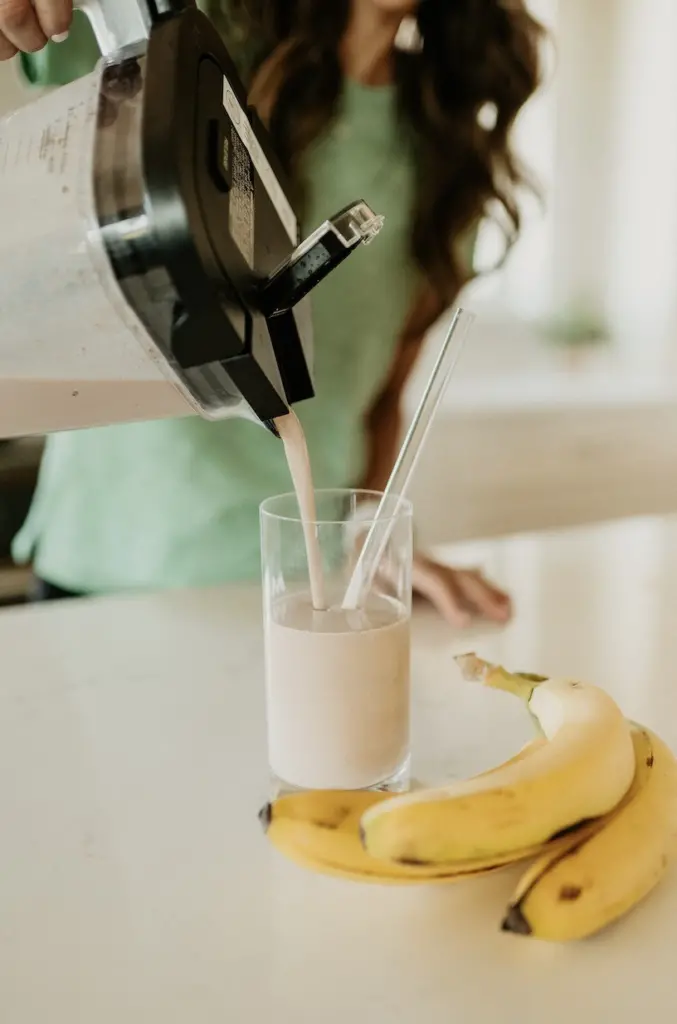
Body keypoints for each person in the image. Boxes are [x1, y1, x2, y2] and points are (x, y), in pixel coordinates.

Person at [1, 0, 543, 626]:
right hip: (105, 567)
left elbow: (378, 399)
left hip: (295, 585)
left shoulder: (446, 160)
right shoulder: (191, 37)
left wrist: (372, 533)